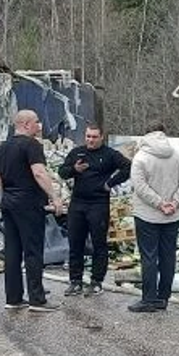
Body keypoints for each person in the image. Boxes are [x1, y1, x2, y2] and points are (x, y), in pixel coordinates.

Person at [0, 109, 66, 312]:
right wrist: (54, 197)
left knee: (12, 252)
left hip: (9, 203)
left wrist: (2, 199)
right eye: (36, 122)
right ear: (26, 124)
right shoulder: (32, 145)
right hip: (28, 203)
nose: (39, 125)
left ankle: (13, 298)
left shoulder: (2, 147)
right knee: (33, 251)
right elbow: (39, 172)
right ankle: (37, 299)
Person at [57, 123, 130, 297]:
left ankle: (96, 282)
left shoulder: (110, 154)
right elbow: (62, 172)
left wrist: (110, 183)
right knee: (75, 243)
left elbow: (128, 167)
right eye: (88, 136)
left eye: (94, 137)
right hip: (77, 203)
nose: (90, 140)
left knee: (99, 244)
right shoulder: (77, 153)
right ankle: (75, 281)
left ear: (101, 137)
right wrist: (74, 169)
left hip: (98, 203)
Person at [127, 122, 179, 313]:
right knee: (168, 256)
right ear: (164, 134)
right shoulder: (178, 156)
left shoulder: (140, 157)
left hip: (147, 215)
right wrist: (174, 203)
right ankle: (163, 297)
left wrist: (159, 203)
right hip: (172, 216)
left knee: (149, 257)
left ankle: (148, 298)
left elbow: (140, 186)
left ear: (146, 134)